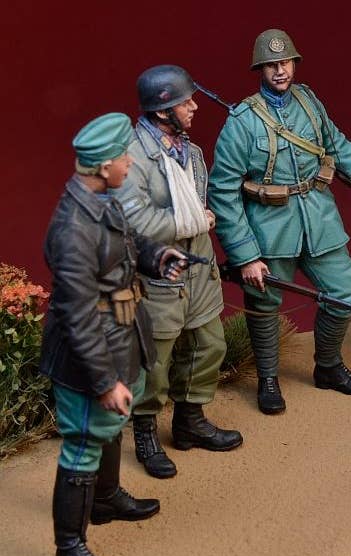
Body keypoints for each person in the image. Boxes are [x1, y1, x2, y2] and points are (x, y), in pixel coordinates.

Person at [208, 29, 351, 415]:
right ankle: (268, 379)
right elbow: (223, 192)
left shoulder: (309, 102)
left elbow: (337, 146)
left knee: (343, 290)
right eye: (271, 65)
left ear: (294, 64)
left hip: (318, 219)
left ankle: (328, 366)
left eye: (285, 62)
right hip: (268, 229)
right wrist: (245, 256)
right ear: (260, 70)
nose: (280, 71)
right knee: (264, 304)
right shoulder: (242, 122)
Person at [40, 113, 187, 556]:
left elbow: (128, 242)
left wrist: (157, 256)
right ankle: (70, 548)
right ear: (104, 167)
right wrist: (103, 381)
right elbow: (77, 317)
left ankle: (105, 499)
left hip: (120, 336)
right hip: (91, 353)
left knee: (109, 426)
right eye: (125, 156)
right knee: (83, 444)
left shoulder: (101, 201)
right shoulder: (73, 228)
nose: (130, 162)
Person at [114, 65, 242, 479]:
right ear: (162, 109)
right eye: (186, 101)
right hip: (160, 272)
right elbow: (133, 221)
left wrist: (199, 224)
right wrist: (191, 221)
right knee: (154, 362)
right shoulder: (133, 158)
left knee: (209, 344)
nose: (194, 107)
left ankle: (190, 420)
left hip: (198, 268)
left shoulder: (188, 150)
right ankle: (146, 431)